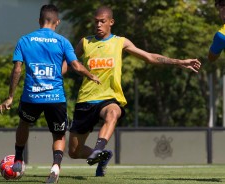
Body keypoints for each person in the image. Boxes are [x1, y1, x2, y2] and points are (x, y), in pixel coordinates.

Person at [68, 6, 201, 177]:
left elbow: (149, 57)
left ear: (111, 22)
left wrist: (179, 62)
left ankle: (98, 150)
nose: (98, 25)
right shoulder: (85, 42)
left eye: (102, 21)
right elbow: (69, 62)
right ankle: (101, 156)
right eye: (96, 22)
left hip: (109, 97)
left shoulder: (120, 42)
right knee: (74, 152)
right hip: (85, 100)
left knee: (113, 113)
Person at [0, 4, 100, 183]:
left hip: (31, 96)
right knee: (59, 135)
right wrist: (90, 75)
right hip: (55, 97)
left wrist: (10, 96)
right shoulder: (62, 41)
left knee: (24, 123)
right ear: (57, 22)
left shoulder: (25, 40)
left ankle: (19, 159)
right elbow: (75, 66)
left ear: (39, 21)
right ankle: (55, 168)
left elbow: (17, 70)